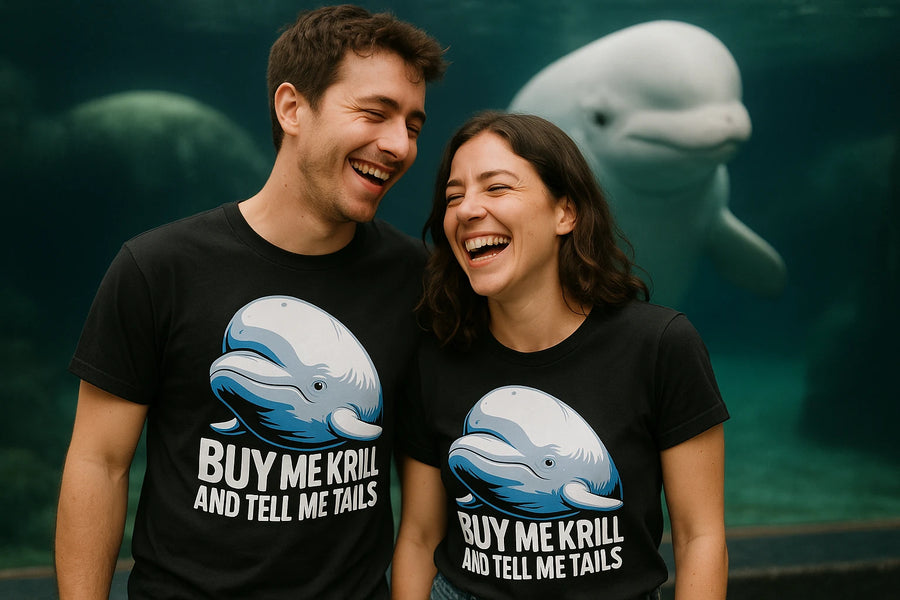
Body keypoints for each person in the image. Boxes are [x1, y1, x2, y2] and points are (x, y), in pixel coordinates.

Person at [54, 5, 446, 599]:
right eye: (374, 113)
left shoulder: (418, 281)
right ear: (292, 108)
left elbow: (422, 506)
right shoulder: (156, 268)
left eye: (413, 126)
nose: (398, 145)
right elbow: (98, 464)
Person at [392, 112, 729, 600]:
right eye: (453, 196)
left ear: (565, 212)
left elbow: (701, 537)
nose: (467, 210)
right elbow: (420, 538)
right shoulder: (436, 356)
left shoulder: (661, 345)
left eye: (497, 188)